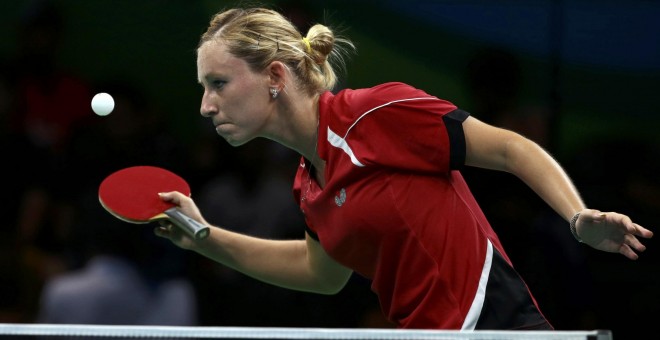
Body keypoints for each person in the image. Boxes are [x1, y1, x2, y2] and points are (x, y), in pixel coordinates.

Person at [153, 6, 653, 330]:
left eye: (218, 83)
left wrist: (577, 216)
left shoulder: (375, 114)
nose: (205, 105)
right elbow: (321, 273)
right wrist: (203, 236)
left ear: (276, 77)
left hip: (490, 324)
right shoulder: (310, 181)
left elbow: (510, 149)